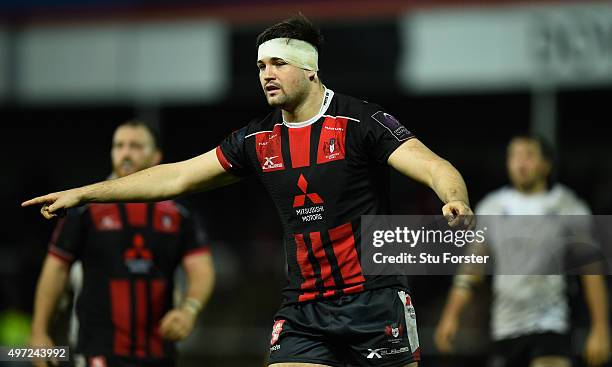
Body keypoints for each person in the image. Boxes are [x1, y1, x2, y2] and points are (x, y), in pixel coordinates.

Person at [23, 16, 474, 367]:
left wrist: (454, 197)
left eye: (277, 63)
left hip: (375, 301)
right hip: (304, 309)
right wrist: (86, 193)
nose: (266, 74)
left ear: (310, 69)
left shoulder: (360, 123)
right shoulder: (257, 141)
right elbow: (176, 177)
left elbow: (433, 165)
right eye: (260, 65)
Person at [29, 121, 215, 367]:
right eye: (119, 146)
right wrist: (39, 332)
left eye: (136, 146)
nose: (125, 152)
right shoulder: (84, 210)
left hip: (160, 351)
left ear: (156, 156)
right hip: (97, 348)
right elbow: (56, 269)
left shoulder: (180, 214)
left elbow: (201, 269)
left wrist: (189, 310)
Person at [434, 135, 611, 367]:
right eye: (514, 155)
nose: (520, 163)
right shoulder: (492, 207)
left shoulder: (567, 206)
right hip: (505, 327)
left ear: (546, 164)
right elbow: (472, 267)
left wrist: (600, 329)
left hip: (551, 325)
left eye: (528, 155)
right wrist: (450, 316)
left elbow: (591, 270)